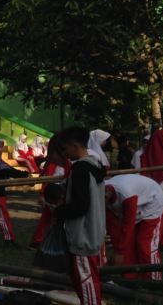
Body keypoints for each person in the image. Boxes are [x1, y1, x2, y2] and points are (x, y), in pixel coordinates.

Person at [53, 126, 106, 305]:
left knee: (86, 282)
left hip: (82, 235)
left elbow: (80, 206)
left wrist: (59, 211)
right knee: (89, 278)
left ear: (74, 145)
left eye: (65, 148)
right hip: (94, 229)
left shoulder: (80, 170)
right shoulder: (96, 165)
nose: (65, 154)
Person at [104, 174, 163, 280]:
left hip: (152, 201)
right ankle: (130, 278)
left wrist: (119, 251)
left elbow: (128, 224)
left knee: (144, 242)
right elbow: (112, 226)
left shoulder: (126, 193)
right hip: (135, 203)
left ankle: (153, 279)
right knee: (128, 244)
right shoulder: (102, 193)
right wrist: (117, 248)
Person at [30, 136, 69, 249]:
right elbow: (47, 179)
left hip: (61, 192)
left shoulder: (66, 161)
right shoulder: (53, 163)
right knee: (49, 218)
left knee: (49, 218)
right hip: (53, 193)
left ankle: (38, 241)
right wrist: (42, 195)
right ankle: (37, 242)